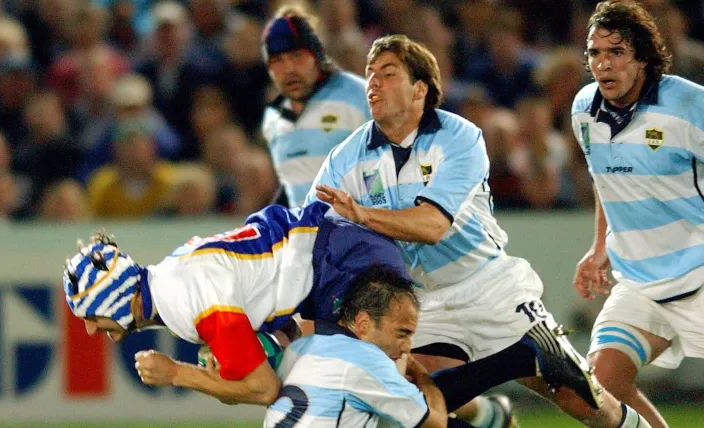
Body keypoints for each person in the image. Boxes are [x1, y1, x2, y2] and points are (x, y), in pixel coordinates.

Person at [307, 34, 650, 428]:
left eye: (387, 74)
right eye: (369, 74)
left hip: (489, 287)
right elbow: (313, 229)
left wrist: (362, 215)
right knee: (409, 405)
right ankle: (501, 401)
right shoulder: (346, 157)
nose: (372, 83)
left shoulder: (458, 137)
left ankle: (539, 373)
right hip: (422, 301)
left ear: (420, 89)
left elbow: (433, 225)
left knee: (585, 403)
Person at [62, 200, 409, 405]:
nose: (91, 330)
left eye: (90, 316)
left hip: (346, 265)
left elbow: (264, 389)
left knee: (384, 406)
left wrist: (177, 374)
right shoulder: (173, 280)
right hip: (337, 261)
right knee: (397, 402)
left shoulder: (185, 298)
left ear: (115, 299)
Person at [571, 2, 704, 427]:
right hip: (641, 283)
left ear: (643, 57)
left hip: (700, 273)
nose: (603, 64)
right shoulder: (583, 110)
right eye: (595, 53)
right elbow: (604, 181)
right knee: (601, 385)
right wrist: (598, 247)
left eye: (617, 52)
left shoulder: (687, 104)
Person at [264, 265, 447, 428]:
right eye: (402, 334)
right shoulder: (369, 361)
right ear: (364, 324)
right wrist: (420, 373)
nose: (407, 347)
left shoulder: (301, 347)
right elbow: (437, 423)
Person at [261, 5, 371, 207]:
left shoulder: (361, 97)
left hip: (363, 232)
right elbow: (293, 184)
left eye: (297, 56)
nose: (289, 69)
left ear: (317, 56)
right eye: (277, 60)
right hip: (306, 236)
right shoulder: (273, 118)